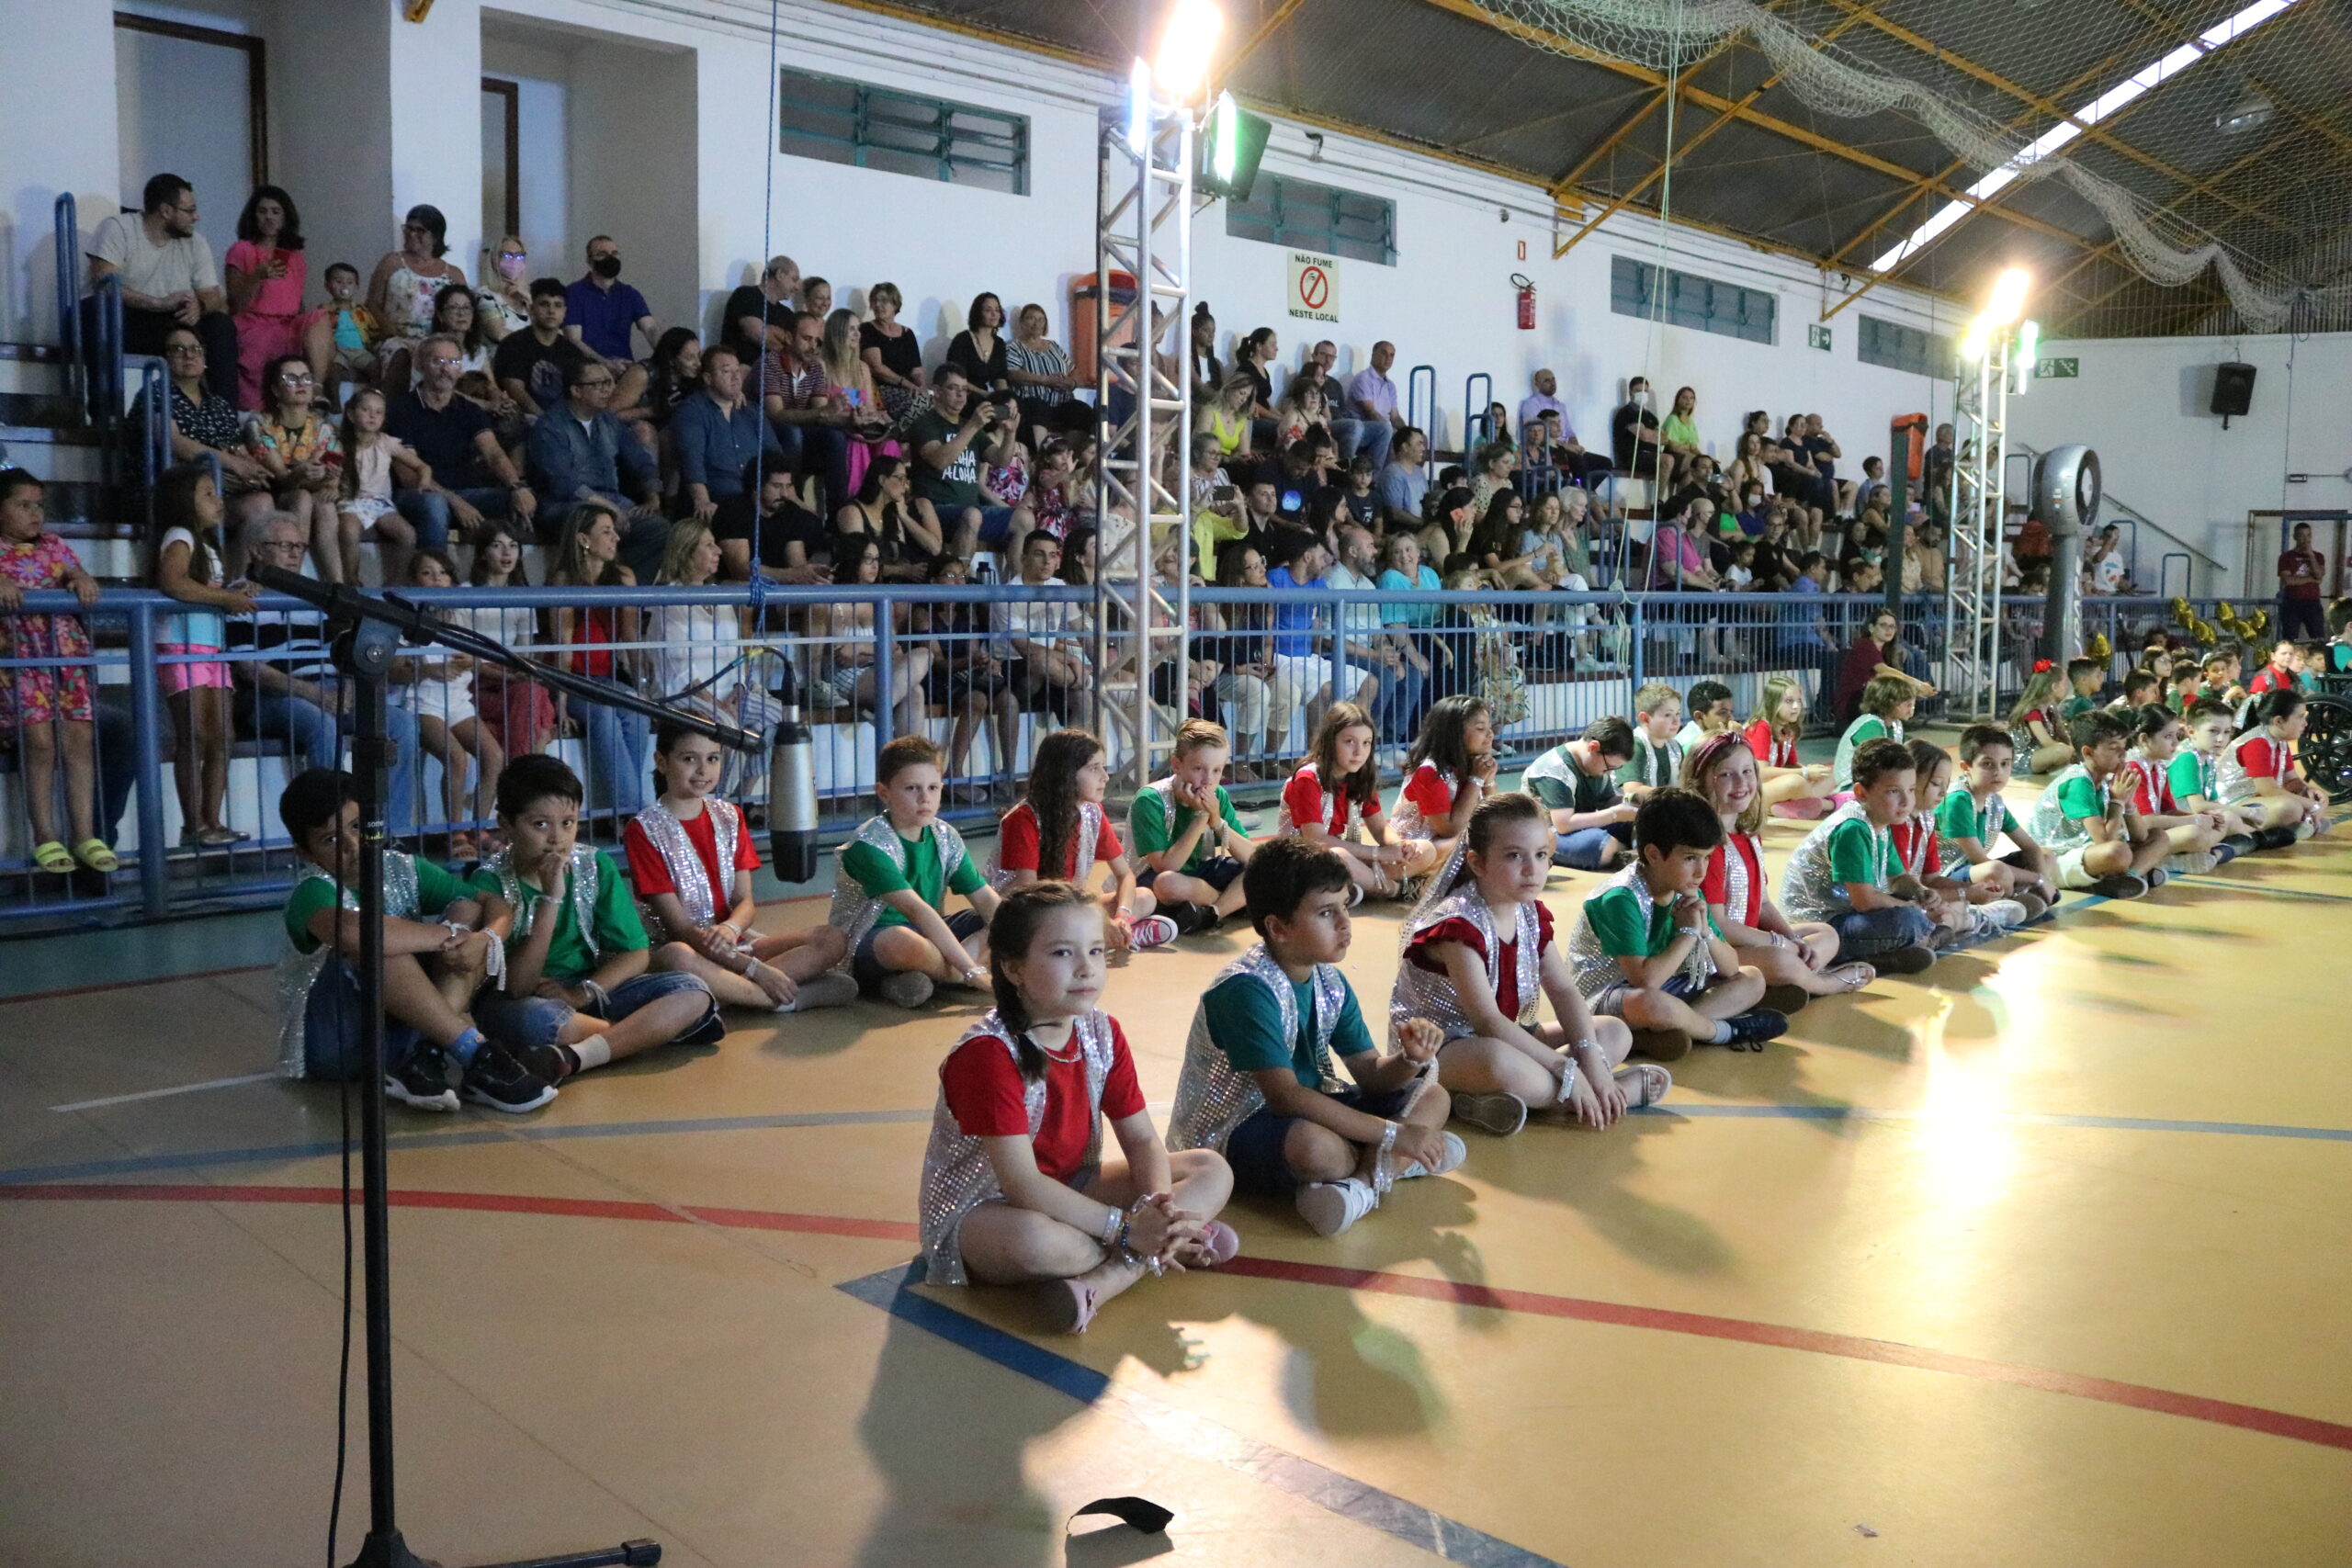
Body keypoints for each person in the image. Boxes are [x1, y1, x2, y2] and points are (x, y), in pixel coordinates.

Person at [921, 882, 1239, 1331]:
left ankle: (1110, 1277)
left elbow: (1142, 1139)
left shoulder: (1103, 1031)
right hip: (987, 1210)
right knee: (1036, 1242)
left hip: (1075, 1186)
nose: (1087, 968)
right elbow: (1023, 1186)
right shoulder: (988, 1055)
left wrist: (1159, 1209)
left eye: (1095, 951)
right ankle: (1163, 1248)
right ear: (1013, 969)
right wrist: (1128, 1229)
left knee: (1211, 1168)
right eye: (1062, 953)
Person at [1166, 839, 1463, 1237]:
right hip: (1233, 1129)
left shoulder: (1329, 980)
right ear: (1278, 928)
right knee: (1317, 1149)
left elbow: (1370, 1073)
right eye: (1326, 912)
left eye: (1345, 906)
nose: (1344, 923)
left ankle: (1360, 1187)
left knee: (1433, 1095)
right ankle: (1394, 1163)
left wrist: (1409, 1060)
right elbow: (1285, 1097)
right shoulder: (1246, 989)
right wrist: (1396, 1134)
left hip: (1311, 1106)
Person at [272, 769, 550, 1111]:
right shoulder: (311, 890)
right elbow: (353, 932)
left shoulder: (400, 868)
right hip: (338, 1043)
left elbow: (494, 904)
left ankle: (422, 1055)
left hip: (400, 1028)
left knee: (467, 909)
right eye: (331, 840)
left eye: (358, 827)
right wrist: (452, 937)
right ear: (305, 852)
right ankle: (476, 1054)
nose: (353, 846)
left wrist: (485, 938)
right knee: (376, 942)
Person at [1394, 792, 1660, 1137]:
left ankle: (1494, 1101)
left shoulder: (1529, 912)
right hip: (1444, 1050)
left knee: (1612, 1032)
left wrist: (1590, 1057)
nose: (1532, 869)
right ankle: (1600, 1096)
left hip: (1506, 1036)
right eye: (1514, 856)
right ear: (1477, 863)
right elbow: (1487, 1021)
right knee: (1499, 1061)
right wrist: (1567, 1068)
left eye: (1540, 855)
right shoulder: (1457, 926)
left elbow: (1563, 991)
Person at [468, 754, 726, 1083]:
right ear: (506, 824)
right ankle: (647, 1034)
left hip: (590, 987)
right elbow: (517, 987)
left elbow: (636, 953)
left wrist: (583, 993)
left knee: (692, 990)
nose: (557, 838)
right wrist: (551, 898)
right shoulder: (488, 883)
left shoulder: (595, 865)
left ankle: (579, 1054)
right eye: (540, 824)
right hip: (525, 999)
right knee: (536, 1020)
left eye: (568, 823)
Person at [621, 724, 857, 1014]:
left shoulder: (729, 816)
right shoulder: (643, 830)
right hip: (686, 950)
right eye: (689, 759)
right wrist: (757, 969)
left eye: (712, 758)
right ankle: (776, 999)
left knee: (832, 939)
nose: (703, 770)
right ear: (661, 761)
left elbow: (744, 902)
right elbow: (680, 929)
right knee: (676, 956)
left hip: (735, 946)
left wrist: (731, 928)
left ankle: (732, 993)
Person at [226, 512, 424, 839]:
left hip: (329, 687)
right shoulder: (241, 596)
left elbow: (339, 654)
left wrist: (349, 687)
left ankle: (392, 836)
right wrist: (316, 695)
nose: (295, 554)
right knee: (322, 725)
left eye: (299, 546)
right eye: (284, 546)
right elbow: (249, 669)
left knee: (403, 725)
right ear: (257, 550)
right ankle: (333, 834)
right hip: (273, 695)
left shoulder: (312, 597)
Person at [1566, 787, 1785, 1062]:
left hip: (1666, 987)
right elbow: (1645, 981)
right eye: (1690, 858)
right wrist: (1688, 933)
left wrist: (1705, 931)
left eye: (1707, 857)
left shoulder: (1686, 889)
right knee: (1653, 1004)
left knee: (1751, 978)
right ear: (1653, 854)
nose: (1701, 871)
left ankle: (1672, 1030)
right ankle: (1722, 1031)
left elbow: (1730, 968)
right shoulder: (1619, 898)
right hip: (1609, 997)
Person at [1680, 736, 1874, 1003]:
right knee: (1780, 959)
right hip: (1716, 951)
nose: (1741, 783)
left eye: (1747, 772)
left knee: (1826, 934)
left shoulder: (1748, 835)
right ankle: (1822, 983)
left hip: (1751, 943)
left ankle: (1783, 984)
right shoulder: (1707, 847)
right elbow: (1719, 925)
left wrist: (1791, 937)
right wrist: (1778, 942)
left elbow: (1762, 904)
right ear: (1699, 781)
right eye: (1726, 775)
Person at [829, 734, 1003, 1008]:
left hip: (929, 933)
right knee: (900, 941)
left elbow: (983, 896)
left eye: (933, 788)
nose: (925, 798)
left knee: (1005, 917)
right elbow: (917, 911)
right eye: (912, 788)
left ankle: (923, 977)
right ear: (884, 792)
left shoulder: (945, 836)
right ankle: (956, 976)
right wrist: (971, 970)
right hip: (872, 942)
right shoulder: (868, 845)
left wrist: (1016, 929)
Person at [0, 470, 111, 874]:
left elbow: (73, 572)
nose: (35, 513)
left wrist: (81, 577)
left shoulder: (54, 545)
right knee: (40, 742)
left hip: (66, 655)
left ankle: (84, 834)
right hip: (20, 658)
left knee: (79, 739)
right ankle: (45, 834)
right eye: (22, 505)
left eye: (39, 505)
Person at [152, 461, 256, 849]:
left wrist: (233, 591)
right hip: (181, 645)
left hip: (210, 647)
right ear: (184, 501)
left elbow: (205, 588)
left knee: (222, 736)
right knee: (193, 736)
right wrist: (226, 598)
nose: (218, 500)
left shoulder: (207, 543)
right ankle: (193, 824)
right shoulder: (180, 535)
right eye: (208, 494)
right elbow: (174, 582)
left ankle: (212, 820)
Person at [995, 728, 1178, 950]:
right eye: (1094, 768)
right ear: (1066, 773)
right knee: (1056, 924)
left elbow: (1125, 875)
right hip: (1028, 912)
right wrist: (1097, 918)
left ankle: (1118, 933)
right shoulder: (1025, 818)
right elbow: (1031, 893)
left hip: (1070, 907)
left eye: (1103, 767)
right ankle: (1106, 938)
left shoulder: (1092, 812)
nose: (1105, 777)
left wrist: (1122, 915)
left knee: (1144, 897)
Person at [1778, 739, 1939, 973]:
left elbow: (1897, 878)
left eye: (1911, 790)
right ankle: (1874, 957)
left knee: (1917, 913)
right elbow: (1866, 902)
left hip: (1846, 915)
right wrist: (1914, 909)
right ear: (1861, 793)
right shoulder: (1852, 829)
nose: (1906, 801)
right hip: (1820, 927)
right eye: (1894, 791)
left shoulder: (1880, 823)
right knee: (1908, 921)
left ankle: (1895, 952)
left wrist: (1920, 892)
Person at [85, 173, 237, 402]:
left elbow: (213, 296)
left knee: (220, 325)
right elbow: (104, 283)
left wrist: (200, 305)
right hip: (126, 318)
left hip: (171, 321)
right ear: (166, 211)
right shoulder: (118, 228)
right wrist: (158, 303)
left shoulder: (196, 242)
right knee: (96, 311)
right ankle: (105, 410)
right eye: (189, 210)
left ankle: (224, 413)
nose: (196, 217)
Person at [388, 550, 501, 855]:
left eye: (442, 573)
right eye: (427, 573)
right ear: (414, 581)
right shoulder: (405, 619)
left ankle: (479, 828)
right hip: (422, 703)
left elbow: (474, 662)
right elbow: (394, 672)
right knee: (456, 758)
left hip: (458, 701)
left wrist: (477, 664)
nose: (436, 579)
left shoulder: (460, 616)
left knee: (494, 756)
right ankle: (456, 833)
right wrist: (428, 671)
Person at [386, 333, 538, 555]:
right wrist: (456, 502)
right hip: (417, 493)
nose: (446, 369)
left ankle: (505, 573)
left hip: (465, 492)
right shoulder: (400, 410)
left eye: (453, 362)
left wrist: (517, 487)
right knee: (435, 504)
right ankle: (434, 571)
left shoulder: (470, 410)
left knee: (517, 499)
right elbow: (409, 476)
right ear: (420, 364)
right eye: (438, 361)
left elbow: (494, 454)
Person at [547, 501, 652, 818]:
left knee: (637, 711)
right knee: (604, 714)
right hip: (572, 680)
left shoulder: (623, 576)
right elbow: (563, 645)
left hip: (607, 678)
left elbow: (631, 638)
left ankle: (626, 812)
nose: (616, 538)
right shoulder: (565, 579)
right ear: (583, 539)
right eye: (606, 531)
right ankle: (635, 815)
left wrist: (643, 689)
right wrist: (561, 704)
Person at [1281, 704, 1442, 900]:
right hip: (1303, 862)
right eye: (1349, 742)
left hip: (1344, 856)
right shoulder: (1308, 778)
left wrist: (1400, 846)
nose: (1359, 751)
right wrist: (1379, 854)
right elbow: (1317, 841)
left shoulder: (1358, 776)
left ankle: (1361, 886)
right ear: (1330, 741)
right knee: (1338, 857)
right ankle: (1396, 890)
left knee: (1426, 849)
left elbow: (1380, 829)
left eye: (1366, 743)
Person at [2022, 709, 2177, 897]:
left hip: (2085, 852)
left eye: (2124, 748)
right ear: (2088, 752)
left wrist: (2128, 803)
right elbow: (2104, 842)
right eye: (2114, 749)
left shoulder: (2103, 781)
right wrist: (2117, 802)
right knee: (2117, 851)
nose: (2123, 754)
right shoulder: (2077, 783)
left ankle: (2128, 877)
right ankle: (2119, 877)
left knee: (2158, 837)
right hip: (2054, 859)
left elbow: (2141, 836)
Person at [1897, 737, 2034, 947]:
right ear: (1911, 781)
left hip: (1919, 894)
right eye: (1936, 784)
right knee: (1916, 915)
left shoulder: (1925, 819)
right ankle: (1965, 922)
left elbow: (1931, 879)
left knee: (1953, 905)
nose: (1943, 792)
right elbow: (1899, 890)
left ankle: (1959, 922)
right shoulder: (1896, 823)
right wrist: (1965, 892)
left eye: (1945, 785)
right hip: (1892, 903)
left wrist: (1973, 890)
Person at [1134, 718, 1261, 933]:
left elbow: (1252, 857)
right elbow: (1166, 867)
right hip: (1154, 881)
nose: (1208, 780)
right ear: (1177, 765)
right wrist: (1202, 815)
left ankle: (1213, 913)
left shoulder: (1218, 795)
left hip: (1201, 875)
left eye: (1217, 770)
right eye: (1199, 768)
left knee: (1262, 869)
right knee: (1168, 883)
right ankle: (1237, 904)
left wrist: (1217, 822)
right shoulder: (1150, 799)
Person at [159, 326, 273, 542]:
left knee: (263, 502)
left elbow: (237, 447)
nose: (189, 355)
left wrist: (248, 472)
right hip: (182, 491)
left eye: (195, 349)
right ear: (165, 358)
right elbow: (174, 441)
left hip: (221, 489)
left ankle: (239, 567)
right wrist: (231, 464)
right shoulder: (156, 392)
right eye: (178, 349)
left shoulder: (218, 403)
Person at [1934, 726, 2057, 915]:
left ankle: (2027, 899)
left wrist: (2041, 880)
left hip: (1975, 871)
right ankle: (2011, 904)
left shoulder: (1994, 801)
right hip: (1946, 876)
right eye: (1988, 764)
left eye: (2005, 764)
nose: (1998, 772)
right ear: (1966, 768)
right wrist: (2039, 879)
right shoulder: (1957, 801)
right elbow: (1979, 860)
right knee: (1996, 870)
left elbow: (2031, 847)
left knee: (2045, 855)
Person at [911, 364, 1030, 559]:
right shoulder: (926, 423)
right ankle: (959, 574)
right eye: (953, 388)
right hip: (935, 509)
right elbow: (940, 461)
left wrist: (1010, 432)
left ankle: (1016, 576)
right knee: (973, 515)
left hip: (972, 510)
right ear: (937, 391)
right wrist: (973, 426)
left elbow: (1000, 461)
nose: (961, 395)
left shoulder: (969, 426)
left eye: (965, 389)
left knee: (1024, 519)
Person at [245, 355, 344, 581]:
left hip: (304, 489)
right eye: (291, 379)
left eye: (306, 378)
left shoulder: (323, 427)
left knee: (326, 506)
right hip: (269, 493)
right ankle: (293, 579)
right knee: (303, 498)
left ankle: (339, 586)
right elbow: (280, 479)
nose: (301, 384)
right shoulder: (258, 425)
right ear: (275, 390)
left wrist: (330, 479)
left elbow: (325, 474)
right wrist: (303, 473)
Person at [462, 525, 557, 761]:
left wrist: (519, 674)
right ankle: (531, 759)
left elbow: (525, 653)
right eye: (497, 545)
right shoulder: (465, 593)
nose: (507, 553)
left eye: (513, 546)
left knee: (531, 691)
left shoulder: (521, 595)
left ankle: (523, 764)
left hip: (509, 680)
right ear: (482, 553)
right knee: (532, 697)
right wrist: (509, 676)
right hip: (474, 683)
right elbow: (466, 661)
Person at [2120, 705, 2245, 874]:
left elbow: (2169, 810)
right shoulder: (2133, 769)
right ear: (2144, 739)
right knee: (2194, 833)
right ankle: (2161, 860)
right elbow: (2146, 821)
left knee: (2220, 822)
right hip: (2132, 839)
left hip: (2154, 834)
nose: (2175, 742)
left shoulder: (2158, 766)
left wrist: (2204, 818)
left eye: (2176, 735)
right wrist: (2194, 820)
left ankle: (2193, 855)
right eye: (2168, 736)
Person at [671, 344, 782, 523]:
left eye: (737, 371)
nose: (736, 377)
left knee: (805, 521)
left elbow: (775, 457)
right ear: (708, 378)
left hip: (757, 497)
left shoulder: (752, 411)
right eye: (726, 371)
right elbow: (692, 460)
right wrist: (702, 500)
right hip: (720, 499)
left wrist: (789, 496)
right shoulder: (692, 411)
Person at [993, 531, 1092, 729]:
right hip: (1014, 668)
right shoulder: (1007, 593)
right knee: (1040, 660)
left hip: (1054, 669)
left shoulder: (1060, 587)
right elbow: (1024, 648)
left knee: (1084, 700)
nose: (1047, 561)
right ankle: (1090, 681)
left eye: (1052, 555)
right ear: (1024, 558)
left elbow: (1082, 630)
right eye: (1039, 554)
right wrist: (1072, 660)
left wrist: (1104, 665)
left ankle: (1073, 748)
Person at [365, 205, 468, 394]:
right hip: (396, 337)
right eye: (409, 228)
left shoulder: (453, 274)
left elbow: (466, 308)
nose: (412, 234)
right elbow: (372, 303)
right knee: (400, 353)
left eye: (420, 230)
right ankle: (394, 409)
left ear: (435, 236)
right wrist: (389, 329)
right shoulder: (392, 262)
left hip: (437, 339)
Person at [222, 186, 308, 410]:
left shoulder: (295, 256)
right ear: (254, 216)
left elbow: (298, 301)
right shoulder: (241, 249)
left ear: (285, 217)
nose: (268, 217)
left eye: (275, 212)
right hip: (253, 322)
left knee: (320, 320)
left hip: (290, 322)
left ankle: (315, 393)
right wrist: (257, 275)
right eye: (262, 211)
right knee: (263, 342)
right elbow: (235, 302)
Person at [1522, 716, 1638, 870]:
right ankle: (1624, 851)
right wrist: (1615, 814)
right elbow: (1563, 824)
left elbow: (1607, 801)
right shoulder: (1555, 768)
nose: (1609, 773)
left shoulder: (1597, 765)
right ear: (1593, 747)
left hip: (1580, 828)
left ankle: (1618, 850)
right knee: (1599, 844)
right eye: (1609, 767)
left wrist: (1633, 803)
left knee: (1643, 821)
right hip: (1547, 833)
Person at [1390, 694, 1497, 861]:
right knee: (1466, 843)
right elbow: (1449, 829)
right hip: (1419, 847)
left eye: (1490, 728)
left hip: (1453, 838)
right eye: (1480, 729)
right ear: (1455, 733)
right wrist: (1476, 780)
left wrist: (1488, 779)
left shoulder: (1471, 763)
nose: (1490, 734)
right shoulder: (1429, 771)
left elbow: (1495, 815)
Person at [2214, 688, 2329, 838]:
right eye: (2300, 717)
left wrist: (2312, 792)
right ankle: (2257, 831)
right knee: (2290, 808)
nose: (2305, 723)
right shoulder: (2257, 743)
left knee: (2315, 798)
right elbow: (2269, 790)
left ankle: (2296, 825)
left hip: (2258, 801)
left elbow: (2292, 780)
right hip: (2233, 804)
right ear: (2278, 721)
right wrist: (2313, 806)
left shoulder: (2280, 742)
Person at [492, 277, 592, 422]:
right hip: (524, 418)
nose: (551, 311)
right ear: (531, 309)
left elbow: (579, 391)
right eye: (544, 304)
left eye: (557, 305)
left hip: (564, 420)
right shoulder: (513, 344)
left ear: (565, 312)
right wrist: (546, 419)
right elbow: (515, 389)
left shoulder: (572, 351)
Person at [1740, 674, 1835, 818]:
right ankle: (1828, 804)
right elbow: (1761, 772)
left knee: (1829, 776)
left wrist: (1812, 772)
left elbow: (1791, 765)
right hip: (1751, 791)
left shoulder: (1786, 728)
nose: (1796, 707)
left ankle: (1786, 806)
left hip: (1773, 786)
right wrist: (1805, 773)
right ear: (1773, 703)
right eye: (1789, 701)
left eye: (1798, 700)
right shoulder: (1761, 727)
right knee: (1795, 782)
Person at [563, 234, 659, 367]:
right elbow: (573, 339)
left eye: (614, 253)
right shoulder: (574, 293)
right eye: (602, 254)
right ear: (590, 261)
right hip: (587, 368)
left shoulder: (630, 294)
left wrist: (668, 358)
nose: (610, 258)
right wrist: (606, 363)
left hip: (625, 366)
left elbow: (650, 329)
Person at [1834, 605, 1933, 724]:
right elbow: (1884, 671)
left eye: (1892, 626)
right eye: (1883, 625)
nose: (1889, 630)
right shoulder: (1864, 645)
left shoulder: (1888, 650)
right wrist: (1917, 684)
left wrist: (1916, 690)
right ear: (1871, 628)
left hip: (1870, 698)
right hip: (1854, 703)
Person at [301, 262, 383, 398]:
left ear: (356, 286)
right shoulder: (323, 310)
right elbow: (317, 333)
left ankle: (373, 398)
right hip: (337, 351)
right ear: (327, 285)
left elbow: (374, 331)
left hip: (359, 351)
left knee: (375, 366)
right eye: (339, 282)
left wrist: (374, 346)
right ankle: (335, 406)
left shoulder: (362, 311)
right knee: (334, 371)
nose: (345, 286)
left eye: (350, 282)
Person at [1833, 675, 1917, 794]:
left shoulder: (1895, 725)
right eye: (1908, 705)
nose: (1911, 709)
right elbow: (1876, 761)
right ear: (1890, 703)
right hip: (1851, 784)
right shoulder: (1870, 725)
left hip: (1871, 780)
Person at [858, 280, 928, 420]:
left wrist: (921, 386)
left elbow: (916, 370)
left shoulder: (907, 334)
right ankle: (897, 432)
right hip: (880, 389)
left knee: (934, 402)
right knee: (919, 405)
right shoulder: (867, 329)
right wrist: (907, 384)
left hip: (908, 387)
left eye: (884, 301)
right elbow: (876, 367)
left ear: (895, 304)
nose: (878, 305)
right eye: (875, 301)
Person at [724, 255, 798, 365]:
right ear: (779, 275)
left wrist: (770, 330)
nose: (797, 287)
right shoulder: (746, 295)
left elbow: (796, 345)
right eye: (794, 279)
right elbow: (757, 334)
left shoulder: (787, 313)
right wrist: (783, 340)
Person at [1616, 682, 1684, 801]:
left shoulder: (1675, 747)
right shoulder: (1633, 745)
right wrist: (1677, 795)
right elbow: (1632, 791)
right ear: (1645, 718)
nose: (1676, 721)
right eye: (1668, 715)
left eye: (1677, 713)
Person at [1343, 341, 1406, 468]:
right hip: (1363, 428)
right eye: (1384, 353)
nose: (1388, 358)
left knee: (1417, 439)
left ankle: (1398, 477)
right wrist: (1390, 429)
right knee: (1386, 430)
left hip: (1383, 427)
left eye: (1392, 355)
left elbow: (1395, 417)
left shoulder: (1390, 385)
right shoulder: (1363, 378)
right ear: (1373, 355)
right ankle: (1376, 477)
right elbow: (1371, 413)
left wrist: (1408, 432)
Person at [2006, 660, 2074, 776]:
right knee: (2061, 751)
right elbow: (2047, 742)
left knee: (2070, 749)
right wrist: (2070, 750)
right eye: (2064, 684)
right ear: (2054, 687)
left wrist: (2073, 746)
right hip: (2023, 759)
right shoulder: (2032, 712)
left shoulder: (2051, 708)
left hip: (2038, 754)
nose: (2067, 687)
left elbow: (2063, 735)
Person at [944, 292, 1013, 399]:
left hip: (989, 397)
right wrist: (985, 394)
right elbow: (955, 376)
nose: (994, 314)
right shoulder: (963, 339)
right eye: (988, 310)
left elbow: (1000, 378)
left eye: (997, 310)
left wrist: (1004, 398)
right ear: (978, 313)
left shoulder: (999, 343)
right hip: (965, 396)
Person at [478, 233, 535, 339]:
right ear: (495, 259)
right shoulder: (485, 296)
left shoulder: (526, 297)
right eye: (507, 255)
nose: (514, 261)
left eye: (519, 256)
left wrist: (529, 300)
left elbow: (544, 328)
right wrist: (533, 342)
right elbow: (499, 334)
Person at [2277, 521, 2327, 641]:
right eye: (2302, 536)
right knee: (2289, 638)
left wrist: (2311, 556)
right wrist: (2311, 579)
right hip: (2292, 602)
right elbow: (2288, 581)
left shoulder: (2318, 556)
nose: (2306, 540)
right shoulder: (2286, 557)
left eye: (2308, 535)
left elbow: (2319, 575)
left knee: (2318, 638)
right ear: (2295, 537)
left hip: (2313, 602)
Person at [1609, 377, 1662, 488]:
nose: (1642, 394)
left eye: (1645, 391)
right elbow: (1643, 435)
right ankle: (1659, 498)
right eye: (1638, 391)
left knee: (1687, 466)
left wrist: (1650, 433)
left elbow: (1664, 439)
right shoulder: (1625, 413)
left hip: (1652, 455)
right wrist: (1653, 434)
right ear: (1630, 393)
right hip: (1633, 458)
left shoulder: (1651, 416)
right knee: (1667, 461)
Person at [1376, 426, 1430, 535]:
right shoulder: (1393, 473)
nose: (1423, 448)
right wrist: (1423, 524)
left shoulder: (1420, 472)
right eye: (1419, 444)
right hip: (1402, 531)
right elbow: (1395, 513)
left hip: (1419, 528)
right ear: (1405, 447)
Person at [1675, 679, 1736, 750]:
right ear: (1699, 716)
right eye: (1723, 713)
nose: (1732, 718)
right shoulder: (1694, 746)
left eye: (1731, 712)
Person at [2058, 656, 2105, 725]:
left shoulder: (2070, 700)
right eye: (2098, 676)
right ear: (2084, 679)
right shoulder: (2082, 704)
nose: (2102, 679)